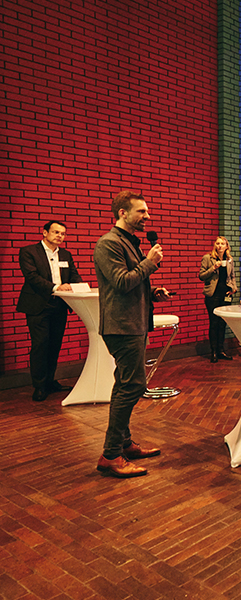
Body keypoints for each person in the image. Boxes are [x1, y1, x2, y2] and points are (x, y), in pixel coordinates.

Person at [93, 191, 170, 478]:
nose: (147, 217)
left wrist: (152, 293)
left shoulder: (128, 242)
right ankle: (111, 455)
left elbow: (133, 282)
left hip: (134, 323)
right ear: (122, 213)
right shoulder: (108, 244)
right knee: (133, 386)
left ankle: (124, 443)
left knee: (124, 384)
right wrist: (150, 262)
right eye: (142, 212)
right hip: (121, 327)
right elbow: (122, 282)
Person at [16, 220, 83, 401]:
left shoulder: (66, 254)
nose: (59, 236)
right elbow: (31, 277)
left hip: (59, 305)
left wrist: (78, 286)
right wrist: (56, 287)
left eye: (62, 233)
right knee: (40, 345)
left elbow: (74, 274)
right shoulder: (29, 252)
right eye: (55, 232)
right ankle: (39, 386)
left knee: (54, 345)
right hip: (38, 305)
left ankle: (50, 382)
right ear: (44, 233)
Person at [199, 236, 238, 362]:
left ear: (227, 246)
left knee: (223, 323)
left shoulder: (229, 259)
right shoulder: (208, 258)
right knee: (214, 323)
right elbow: (201, 276)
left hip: (225, 295)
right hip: (212, 295)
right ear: (215, 245)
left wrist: (234, 288)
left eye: (223, 243)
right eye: (218, 243)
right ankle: (214, 352)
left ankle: (221, 350)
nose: (220, 245)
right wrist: (213, 268)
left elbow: (232, 276)